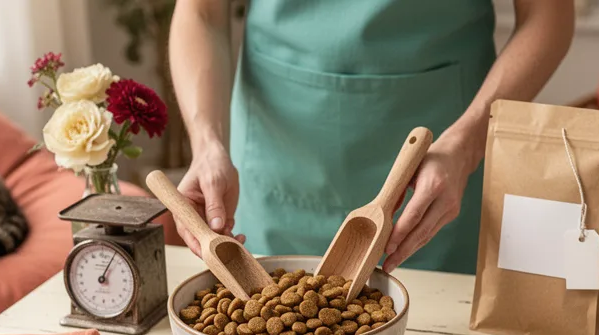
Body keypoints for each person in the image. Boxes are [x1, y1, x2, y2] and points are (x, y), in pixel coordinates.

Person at [168, 0, 573, 275]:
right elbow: (201, 13)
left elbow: (548, 21)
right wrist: (207, 144)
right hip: (275, 155)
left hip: (443, 157)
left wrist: (464, 147)